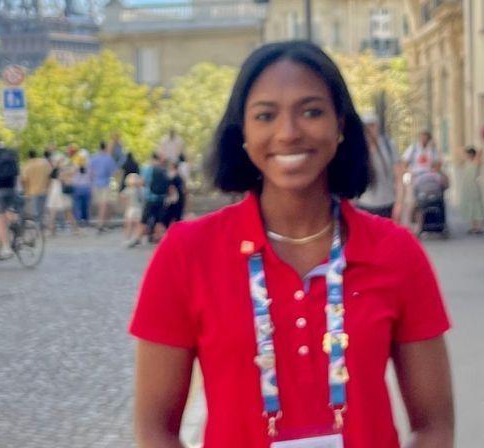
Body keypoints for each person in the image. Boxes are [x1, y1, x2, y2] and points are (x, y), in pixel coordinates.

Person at [131, 41, 455, 447]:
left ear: (340, 126)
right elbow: (154, 429)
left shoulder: (396, 252)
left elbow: (434, 426)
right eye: (265, 115)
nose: (288, 133)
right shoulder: (186, 253)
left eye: (311, 111)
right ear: (243, 134)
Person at [355, 112, 398, 218]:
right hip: (363, 205)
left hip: (387, 204)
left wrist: (399, 202)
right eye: (366, 126)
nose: (369, 129)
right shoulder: (357, 148)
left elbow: (399, 175)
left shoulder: (388, 146)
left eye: (372, 125)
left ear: (377, 127)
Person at [454, 147, 484, 235]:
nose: (467, 156)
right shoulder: (467, 162)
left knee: (477, 206)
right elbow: (459, 152)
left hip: (474, 187)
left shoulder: (477, 162)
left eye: (469, 154)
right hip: (467, 187)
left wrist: (476, 153)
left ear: (472, 154)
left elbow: (480, 152)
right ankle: (474, 227)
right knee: (470, 207)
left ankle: (479, 227)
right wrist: (466, 152)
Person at [89, 141, 119, 231]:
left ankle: (104, 222)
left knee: (101, 204)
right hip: (105, 183)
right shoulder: (108, 158)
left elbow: (90, 170)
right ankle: (101, 223)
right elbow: (114, 172)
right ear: (105, 148)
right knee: (104, 204)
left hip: (95, 183)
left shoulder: (94, 158)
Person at [141, 153, 169, 243]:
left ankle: (137, 238)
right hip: (161, 198)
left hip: (150, 197)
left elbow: (143, 182)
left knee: (144, 219)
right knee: (158, 219)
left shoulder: (148, 169)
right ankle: (157, 237)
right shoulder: (164, 169)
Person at [21, 150, 52, 227]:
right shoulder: (44, 163)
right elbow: (49, 176)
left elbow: (24, 180)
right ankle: (42, 226)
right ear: (36, 154)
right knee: (42, 210)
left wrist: (26, 191)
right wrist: (48, 186)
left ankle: (38, 227)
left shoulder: (27, 166)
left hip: (33, 191)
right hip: (44, 190)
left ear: (29, 157)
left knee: (36, 211)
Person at [122, 173, 145, 248]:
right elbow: (124, 198)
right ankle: (128, 237)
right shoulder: (128, 190)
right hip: (131, 208)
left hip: (138, 208)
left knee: (138, 224)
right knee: (129, 224)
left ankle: (137, 238)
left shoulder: (141, 189)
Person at [71, 161, 92, 229]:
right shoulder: (87, 170)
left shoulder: (76, 170)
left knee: (78, 206)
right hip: (85, 189)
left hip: (78, 189)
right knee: (84, 206)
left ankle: (79, 220)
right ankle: (84, 220)